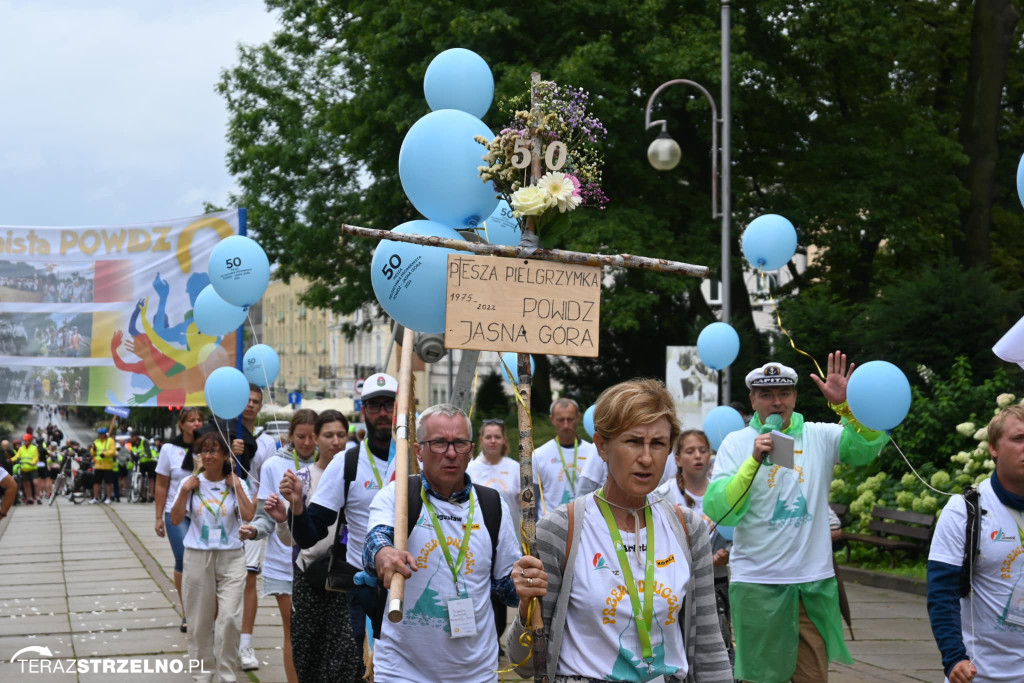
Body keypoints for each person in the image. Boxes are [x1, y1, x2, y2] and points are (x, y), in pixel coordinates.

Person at [507, 379, 732, 681]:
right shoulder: (561, 530)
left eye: (658, 443)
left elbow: (709, 647)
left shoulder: (688, 528)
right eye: (633, 441)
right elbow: (523, 664)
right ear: (601, 446)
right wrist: (525, 607)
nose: (646, 458)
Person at [704, 353, 889, 683]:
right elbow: (718, 508)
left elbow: (866, 449)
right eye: (766, 395)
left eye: (784, 393)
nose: (777, 402)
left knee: (812, 677)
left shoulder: (820, 434)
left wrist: (848, 407)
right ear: (753, 400)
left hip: (811, 584)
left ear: (795, 397)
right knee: (760, 678)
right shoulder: (736, 443)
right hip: (757, 584)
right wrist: (752, 461)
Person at [364, 403, 522, 682]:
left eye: (459, 443)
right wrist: (385, 553)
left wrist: (527, 582)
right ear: (417, 451)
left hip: (477, 672)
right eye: (439, 443)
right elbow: (375, 541)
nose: (451, 453)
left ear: (471, 449)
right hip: (401, 670)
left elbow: (507, 589)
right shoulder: (399, 496)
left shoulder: (491, 504)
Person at [289, 372, 399, 651]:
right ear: (364, 412)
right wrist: (298, 509)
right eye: (375, 406)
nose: (383, 413)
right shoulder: (346, 463)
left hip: (414, 581)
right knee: (363, 665)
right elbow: (310, 535)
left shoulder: (420, 458)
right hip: (363, 586)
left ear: (401, 408)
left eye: (390, 404)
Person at [927, 404, 1024, 683]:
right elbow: (942, 593)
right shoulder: (964, 510)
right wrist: (954, 657)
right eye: (1018, 439)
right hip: (979, 675)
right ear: (993, 448)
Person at [266, 409, 362, 682]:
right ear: (316, 439)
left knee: (347, 654)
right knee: (310, 649)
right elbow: (290, 540)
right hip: (312, 576)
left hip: (350, 575)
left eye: (341, 435)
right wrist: (284, 519)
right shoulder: (303, 479)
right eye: (328, 435)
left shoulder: (359, 475)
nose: (336, 442)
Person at [239, 409, 319, 683]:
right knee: (294, 631)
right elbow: (264, 516)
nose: (307, 443)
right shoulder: (274, 465)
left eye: (312, 436)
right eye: (301, 437)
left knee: (320, 634)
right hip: (284, 564)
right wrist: (254, 531)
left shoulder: (331, 463)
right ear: (290, 436)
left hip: (321, 563)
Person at [171, 431, 255, 683]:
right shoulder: (191, 483)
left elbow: (249, 514)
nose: (208, 456)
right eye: (204, 451)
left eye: (214, 450)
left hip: (231, 557)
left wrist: (238, 486)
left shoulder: (236, 482)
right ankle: (201, 673)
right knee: (198, 621)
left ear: (225, 455)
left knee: (229, 618)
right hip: (198, 556)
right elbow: (175, 519)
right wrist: (185, 491)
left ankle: (227, 673)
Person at [466, 417, 521, 639]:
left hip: (507, 540)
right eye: (488, 437)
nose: (492, 441)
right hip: (477, 539)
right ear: (481, 440)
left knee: (501, 593)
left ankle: (496, 637)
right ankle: (483, 636)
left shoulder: (516, 468)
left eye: (497, 436)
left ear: (504, 439)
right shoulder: (470, 468)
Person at [236, 385, 277, 672]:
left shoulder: (267, 442)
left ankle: (245, 643)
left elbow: (269, 477)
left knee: (249, 576)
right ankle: (223, 633)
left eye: (256, 401)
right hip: (222, 512)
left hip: (253, 512)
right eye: (246, 400)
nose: (251, 405)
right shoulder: (222, 434)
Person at [155, 407, 205, 633]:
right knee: (184, 557)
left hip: (204, 512)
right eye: (191, 420)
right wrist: (158, 517)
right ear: (181, 425)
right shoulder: (169, 449)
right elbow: (162, 484)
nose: (196, 424)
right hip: (176, 512)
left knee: (203, 562)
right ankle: (188, 612)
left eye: (199, 420)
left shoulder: (208, 447)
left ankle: (203, 609)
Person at [533, 398, 597, 517]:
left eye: (570, 419)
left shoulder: (593, 452)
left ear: (578, 418)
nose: (566, 425)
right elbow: (533, 499)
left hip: (585, 522)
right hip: (549, 526)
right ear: (552, 419)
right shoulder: (539, 455)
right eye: (561, 420)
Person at [90, 427, 117, 504]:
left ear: (105, 434)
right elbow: (92, 453)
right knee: (96, 482)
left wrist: (105, 454)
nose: (101, 436)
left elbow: (113, 451)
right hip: (98, 465)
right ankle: (95, 497)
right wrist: (93, 449)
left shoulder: (110, 441)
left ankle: (108, 498)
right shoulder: (96, 442)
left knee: (108, 483)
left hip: (107, 466)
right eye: (100, 434)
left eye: (102, 434)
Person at [14, 434, 40, 504]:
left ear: (30, 441)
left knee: (36, 483)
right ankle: (29, 498)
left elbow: (36, 457)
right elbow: (17, 456)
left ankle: (38, 497)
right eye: (24, 440)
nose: (25, 441)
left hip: (32, 468)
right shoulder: (21, 448)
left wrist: (33, 462)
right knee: (26, 484)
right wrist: (11, 460)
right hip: (24, 468)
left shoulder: (34, 448)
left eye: (27, 440)